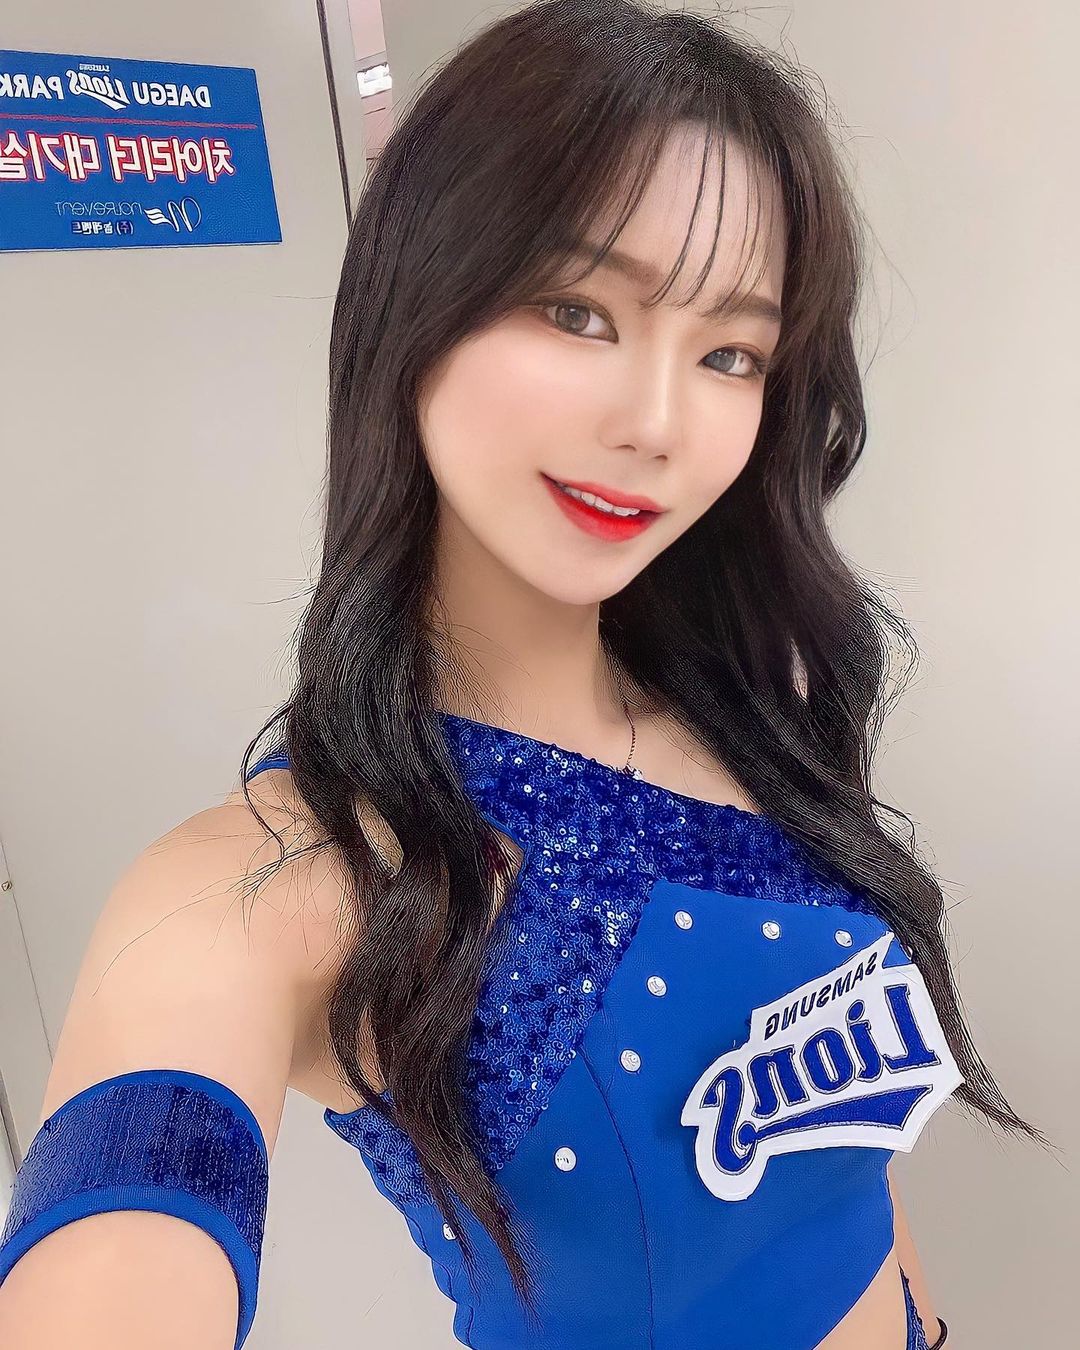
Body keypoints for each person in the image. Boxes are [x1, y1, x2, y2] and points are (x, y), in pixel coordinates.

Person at [0, 2, 1044, 1346]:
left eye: (729, 352)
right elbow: (122, 1220)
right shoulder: (285, 883)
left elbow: (844, 1167)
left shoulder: (759, 718)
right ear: (414, 302)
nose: (657, 424)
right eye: (575, 309)